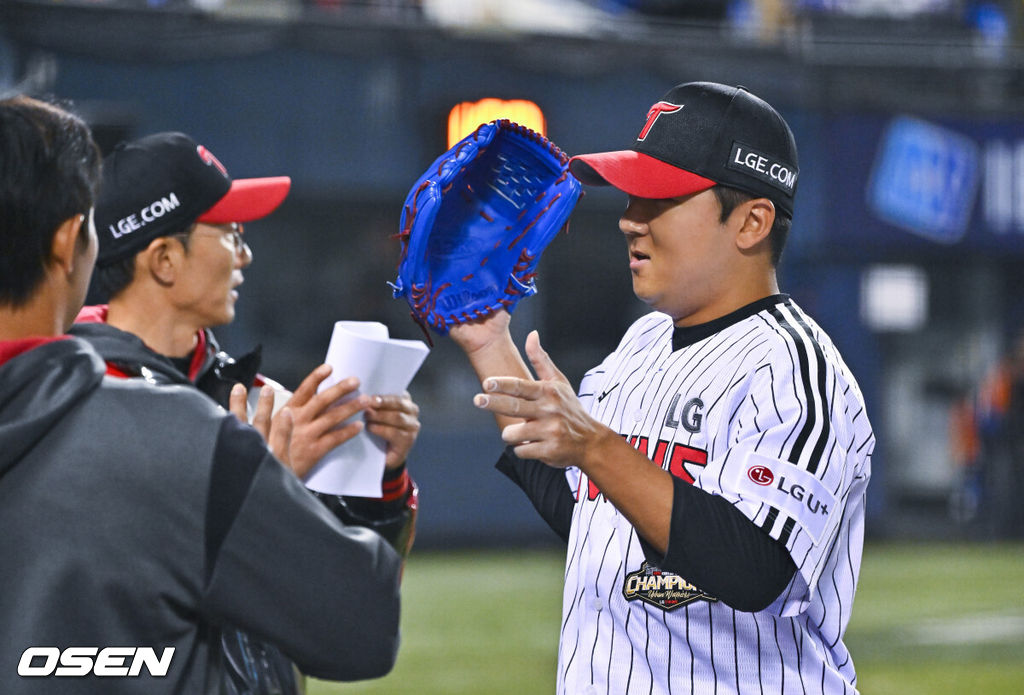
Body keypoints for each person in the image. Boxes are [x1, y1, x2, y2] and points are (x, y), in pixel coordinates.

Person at [449, 82, 873, 693]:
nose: (628, 218)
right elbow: (594, 522)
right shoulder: (641, 344)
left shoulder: (795, 370)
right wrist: (490, 341)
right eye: (631, 195)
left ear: (751, 221)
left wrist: (594, 445)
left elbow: (757, 570)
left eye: (660, 199)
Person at [0, 95, 403, 693]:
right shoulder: (178, 437)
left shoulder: (212, 408)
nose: (244, 253)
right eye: (229, 232)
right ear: (67, 244)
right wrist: (260, 491)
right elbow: (362, 627)